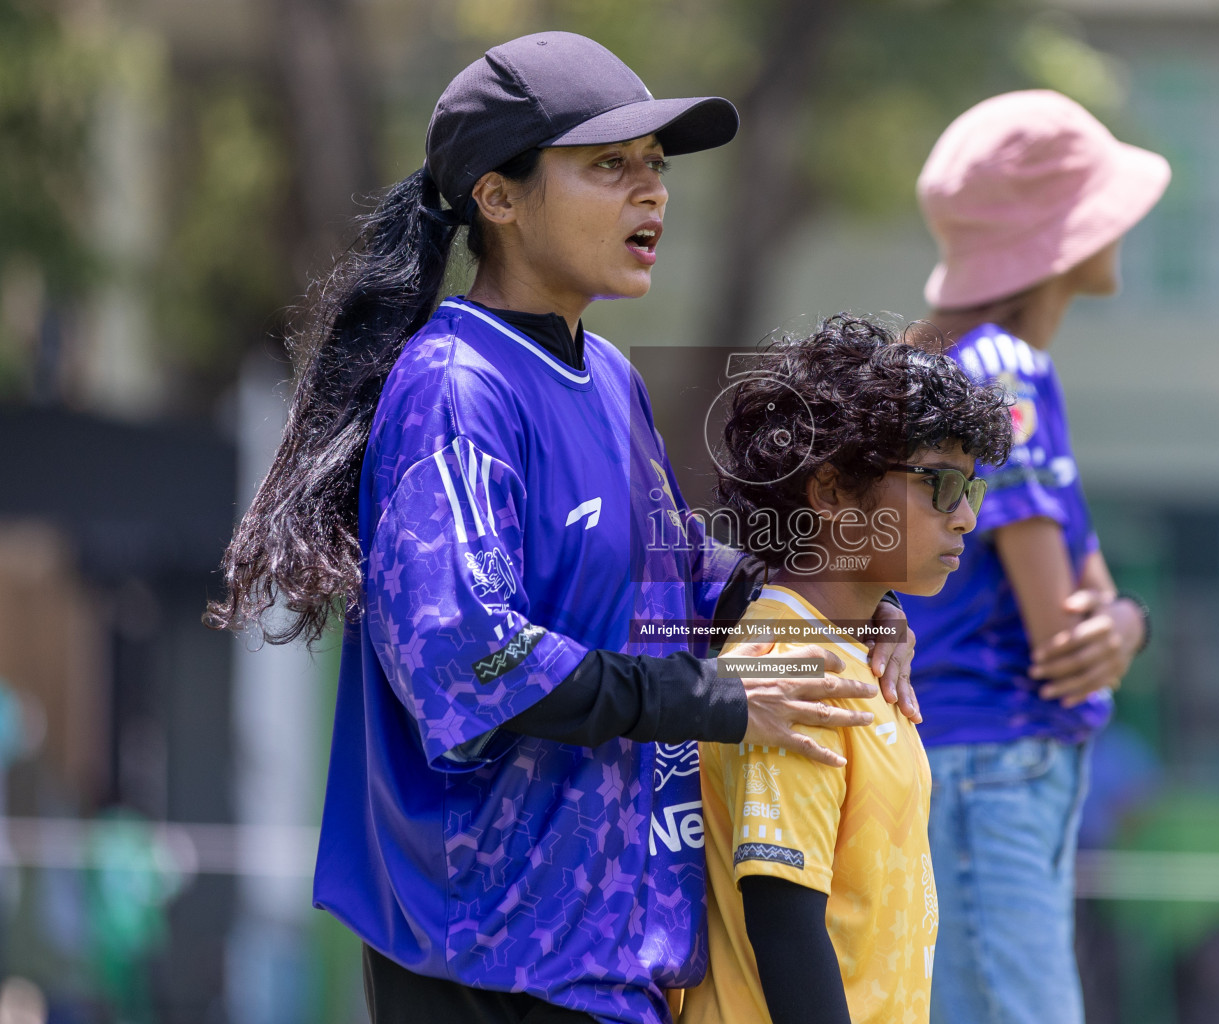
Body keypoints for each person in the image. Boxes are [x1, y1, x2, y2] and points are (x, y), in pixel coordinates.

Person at [206, 33, 919, 1024]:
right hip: (481, 956)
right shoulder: (456, 385)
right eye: (609, 166)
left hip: (604, 957)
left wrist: (830, 610)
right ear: (498, 197)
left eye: (656, 168)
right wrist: (711, 698)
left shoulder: (611, 379)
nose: (652, 195)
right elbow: (466, 655)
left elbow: (678, 578)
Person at [901, 90, 1170, 1024]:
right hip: (997, 766)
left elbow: (1099, 604)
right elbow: (1070, 631)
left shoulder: (952, 364)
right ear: (1059, 235)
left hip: (952, 764)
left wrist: (1125, 620)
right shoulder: (1007, 371)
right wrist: (1121, 625)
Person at [680, 316, 1012, 1024]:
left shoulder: (850, 649)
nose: (965, 520)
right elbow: (784, 921)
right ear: (831, 492)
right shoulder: (787, 668)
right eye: (941, 485)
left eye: (972, 489)